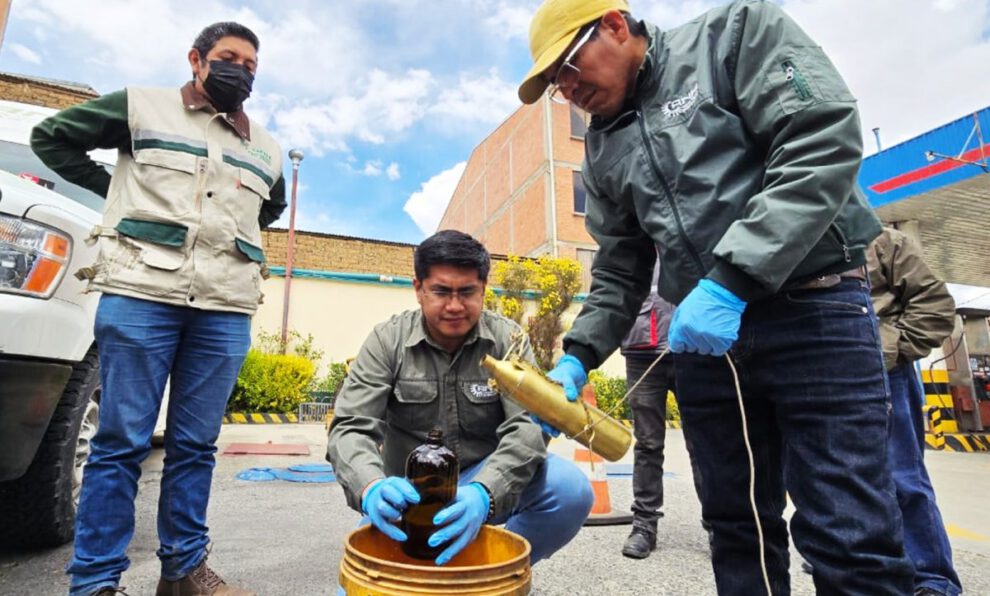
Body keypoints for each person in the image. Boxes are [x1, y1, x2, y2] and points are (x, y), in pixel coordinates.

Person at [518, 0, 914, 593]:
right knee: (736, 528)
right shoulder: (603, 146)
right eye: (555, 84)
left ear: (615, 26)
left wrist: (732, 279)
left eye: (569, 67)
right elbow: (622, 265)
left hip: (814, 312)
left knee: (848, 530)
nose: (568, 89)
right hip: (706, 346)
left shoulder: (735, 35)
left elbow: (819, 137)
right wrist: (579, 352)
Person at [31, 22, 285, 596]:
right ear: (196, 60)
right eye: (228, 58)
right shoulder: (141, 108)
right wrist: (113, 192)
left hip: (224, 306)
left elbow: (268, 209)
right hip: (143, 293)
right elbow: (52, 137)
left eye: (250, 64)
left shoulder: (265, 148)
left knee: (195, 447)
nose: (239, 70)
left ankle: (184, 572)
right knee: (122, 442)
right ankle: (95, 583)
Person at [327, 230, 593, 568]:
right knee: (360, 584)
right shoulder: (386, 341)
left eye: (467, 292)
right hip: (410, 497)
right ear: (418, 289)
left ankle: (489, 574)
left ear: (483, 290)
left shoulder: (507, 340)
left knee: (570, 490)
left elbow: (527, 427)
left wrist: (485, 492)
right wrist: (371, 487)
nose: (454, 305)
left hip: (488, 482)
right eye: (440, 291)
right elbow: (351, 427)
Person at [868, 227, 961, 596]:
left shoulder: (886, 241)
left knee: (902, 477)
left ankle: (932, 578)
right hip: (821, 374)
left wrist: (886, 351)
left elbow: (935, 306)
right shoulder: (791, 237)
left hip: (885, 374)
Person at [617, 260, 676, 559]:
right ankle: (644, 525)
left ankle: (718, 525)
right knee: (648, 444)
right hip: (642, 350)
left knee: (705, 443)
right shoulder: (629, 238)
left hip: (693, 346)